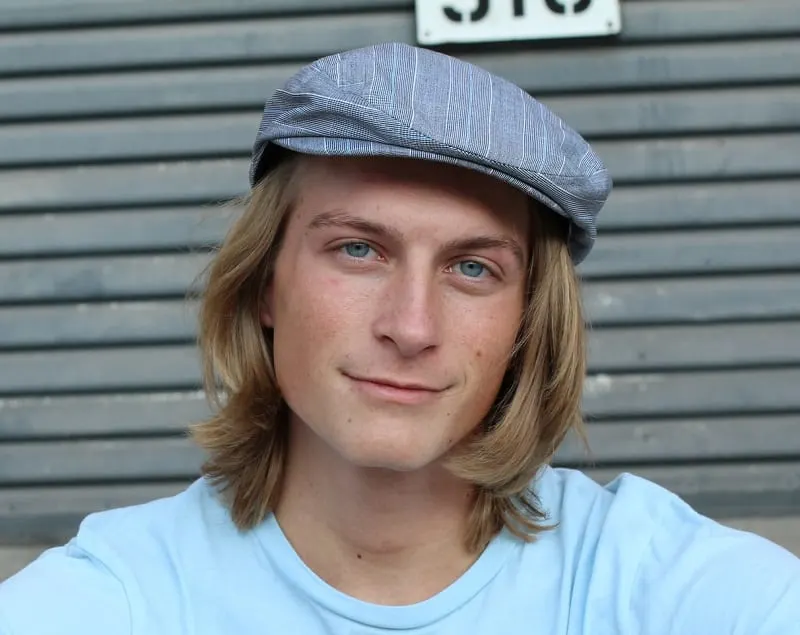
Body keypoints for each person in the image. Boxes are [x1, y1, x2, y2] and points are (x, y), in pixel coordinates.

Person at [1, 41, 799, 635]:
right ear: (265, 283)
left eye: (474, 268)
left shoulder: (649, 582)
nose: (411, 327)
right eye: (358, 249)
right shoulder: (122, 594)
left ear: (528, 321)